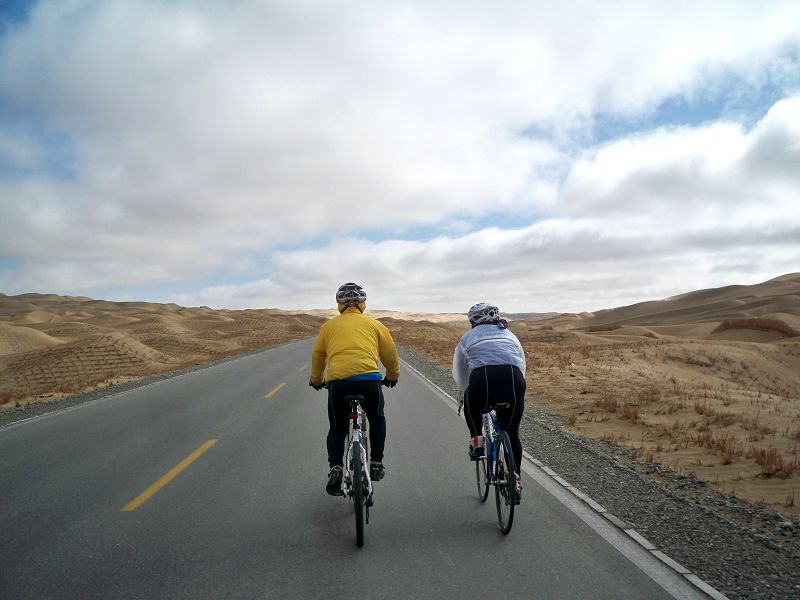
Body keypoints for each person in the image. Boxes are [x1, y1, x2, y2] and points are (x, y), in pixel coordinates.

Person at [309, 282, 400, 496]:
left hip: (338, 384)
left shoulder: (328, 327)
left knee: (337, 428)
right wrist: (392, 376)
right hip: (369, 382)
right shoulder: (376, 325)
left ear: (340, 305)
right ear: (362, 303)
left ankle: (336, 468)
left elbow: (318, 356)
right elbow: (390, 354)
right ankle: (376, 463)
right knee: (377, 418)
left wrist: (316, 380)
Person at [452, 302, 526, 501]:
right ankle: (516, 479)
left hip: (482, 381)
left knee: (472, 402)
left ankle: (477, 440)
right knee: (512, 433)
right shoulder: (511, 336)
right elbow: (521, 365)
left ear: (473, 321)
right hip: (514, 381)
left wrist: (464, 391)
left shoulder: (467, 338)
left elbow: (459, 372)